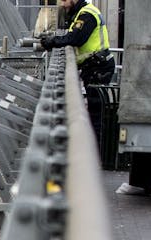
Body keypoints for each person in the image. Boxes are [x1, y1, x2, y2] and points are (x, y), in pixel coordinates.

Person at [40, 0, 113, 153]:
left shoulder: (87, 15)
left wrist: (52, 41)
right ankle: (96, 150)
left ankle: (96, 154)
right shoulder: (81, 13)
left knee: (96, 112)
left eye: (65, 1)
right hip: (94, 66)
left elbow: (76, 38)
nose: (63, 5)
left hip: (98, 67)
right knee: (95, 110)